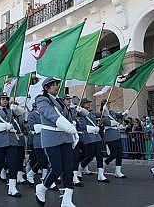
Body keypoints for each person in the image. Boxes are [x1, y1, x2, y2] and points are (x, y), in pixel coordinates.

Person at [35, 77, 79, 207]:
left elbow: (67, 116)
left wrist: (72, 123)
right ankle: (42, 188)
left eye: (56, 84)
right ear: (46, 88)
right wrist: (69, 127)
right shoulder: (42, 99)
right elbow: (51, 115)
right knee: (56, 168)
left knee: (68, 168)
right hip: (52, 137)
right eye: (53, 85)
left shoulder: (60, 101)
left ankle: (67, 200)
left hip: (65, 137)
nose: (56, 87)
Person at [0, 93, 21, 197]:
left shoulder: (11, 111)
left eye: (6, 99)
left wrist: (18, 108)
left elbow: (22, 116)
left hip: (12, 141)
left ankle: (12, 188)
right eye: (3, 99)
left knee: (13, 163)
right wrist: (5, 126)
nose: (5, 101)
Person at [76, 98, 109, 183]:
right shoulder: (80, 114)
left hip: (97, 137)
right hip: (88, 137)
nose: (88, 104)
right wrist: (95, 128)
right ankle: (80, 167)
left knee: (99, 155)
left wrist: (103, 106)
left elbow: (102, 114)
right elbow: (82, 126)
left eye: (88, 103)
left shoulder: (92, 112)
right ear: (82, 104)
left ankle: (100, 175)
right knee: (90, 156)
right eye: (86, 103)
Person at [101, 99, 128, 178]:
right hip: (110, 135)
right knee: (114, 154)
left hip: (116, 134)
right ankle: (105, 162)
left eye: (109, 104)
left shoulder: (112, 112)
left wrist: (125, 113)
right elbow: (107, 122)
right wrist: (117, 123)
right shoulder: (103, 114)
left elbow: (119, 115)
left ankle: (118, 171)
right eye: (107, 104)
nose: (108, 105)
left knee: (119, 153)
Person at [26, 102, 49, 185]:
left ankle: (44, 176)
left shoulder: (44, 114)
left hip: (46, 139)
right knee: (41, 160)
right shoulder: (32, 114)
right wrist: (45, 126)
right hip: (38, 140)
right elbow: (32, 126)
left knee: (46, 160)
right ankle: (30, 174)